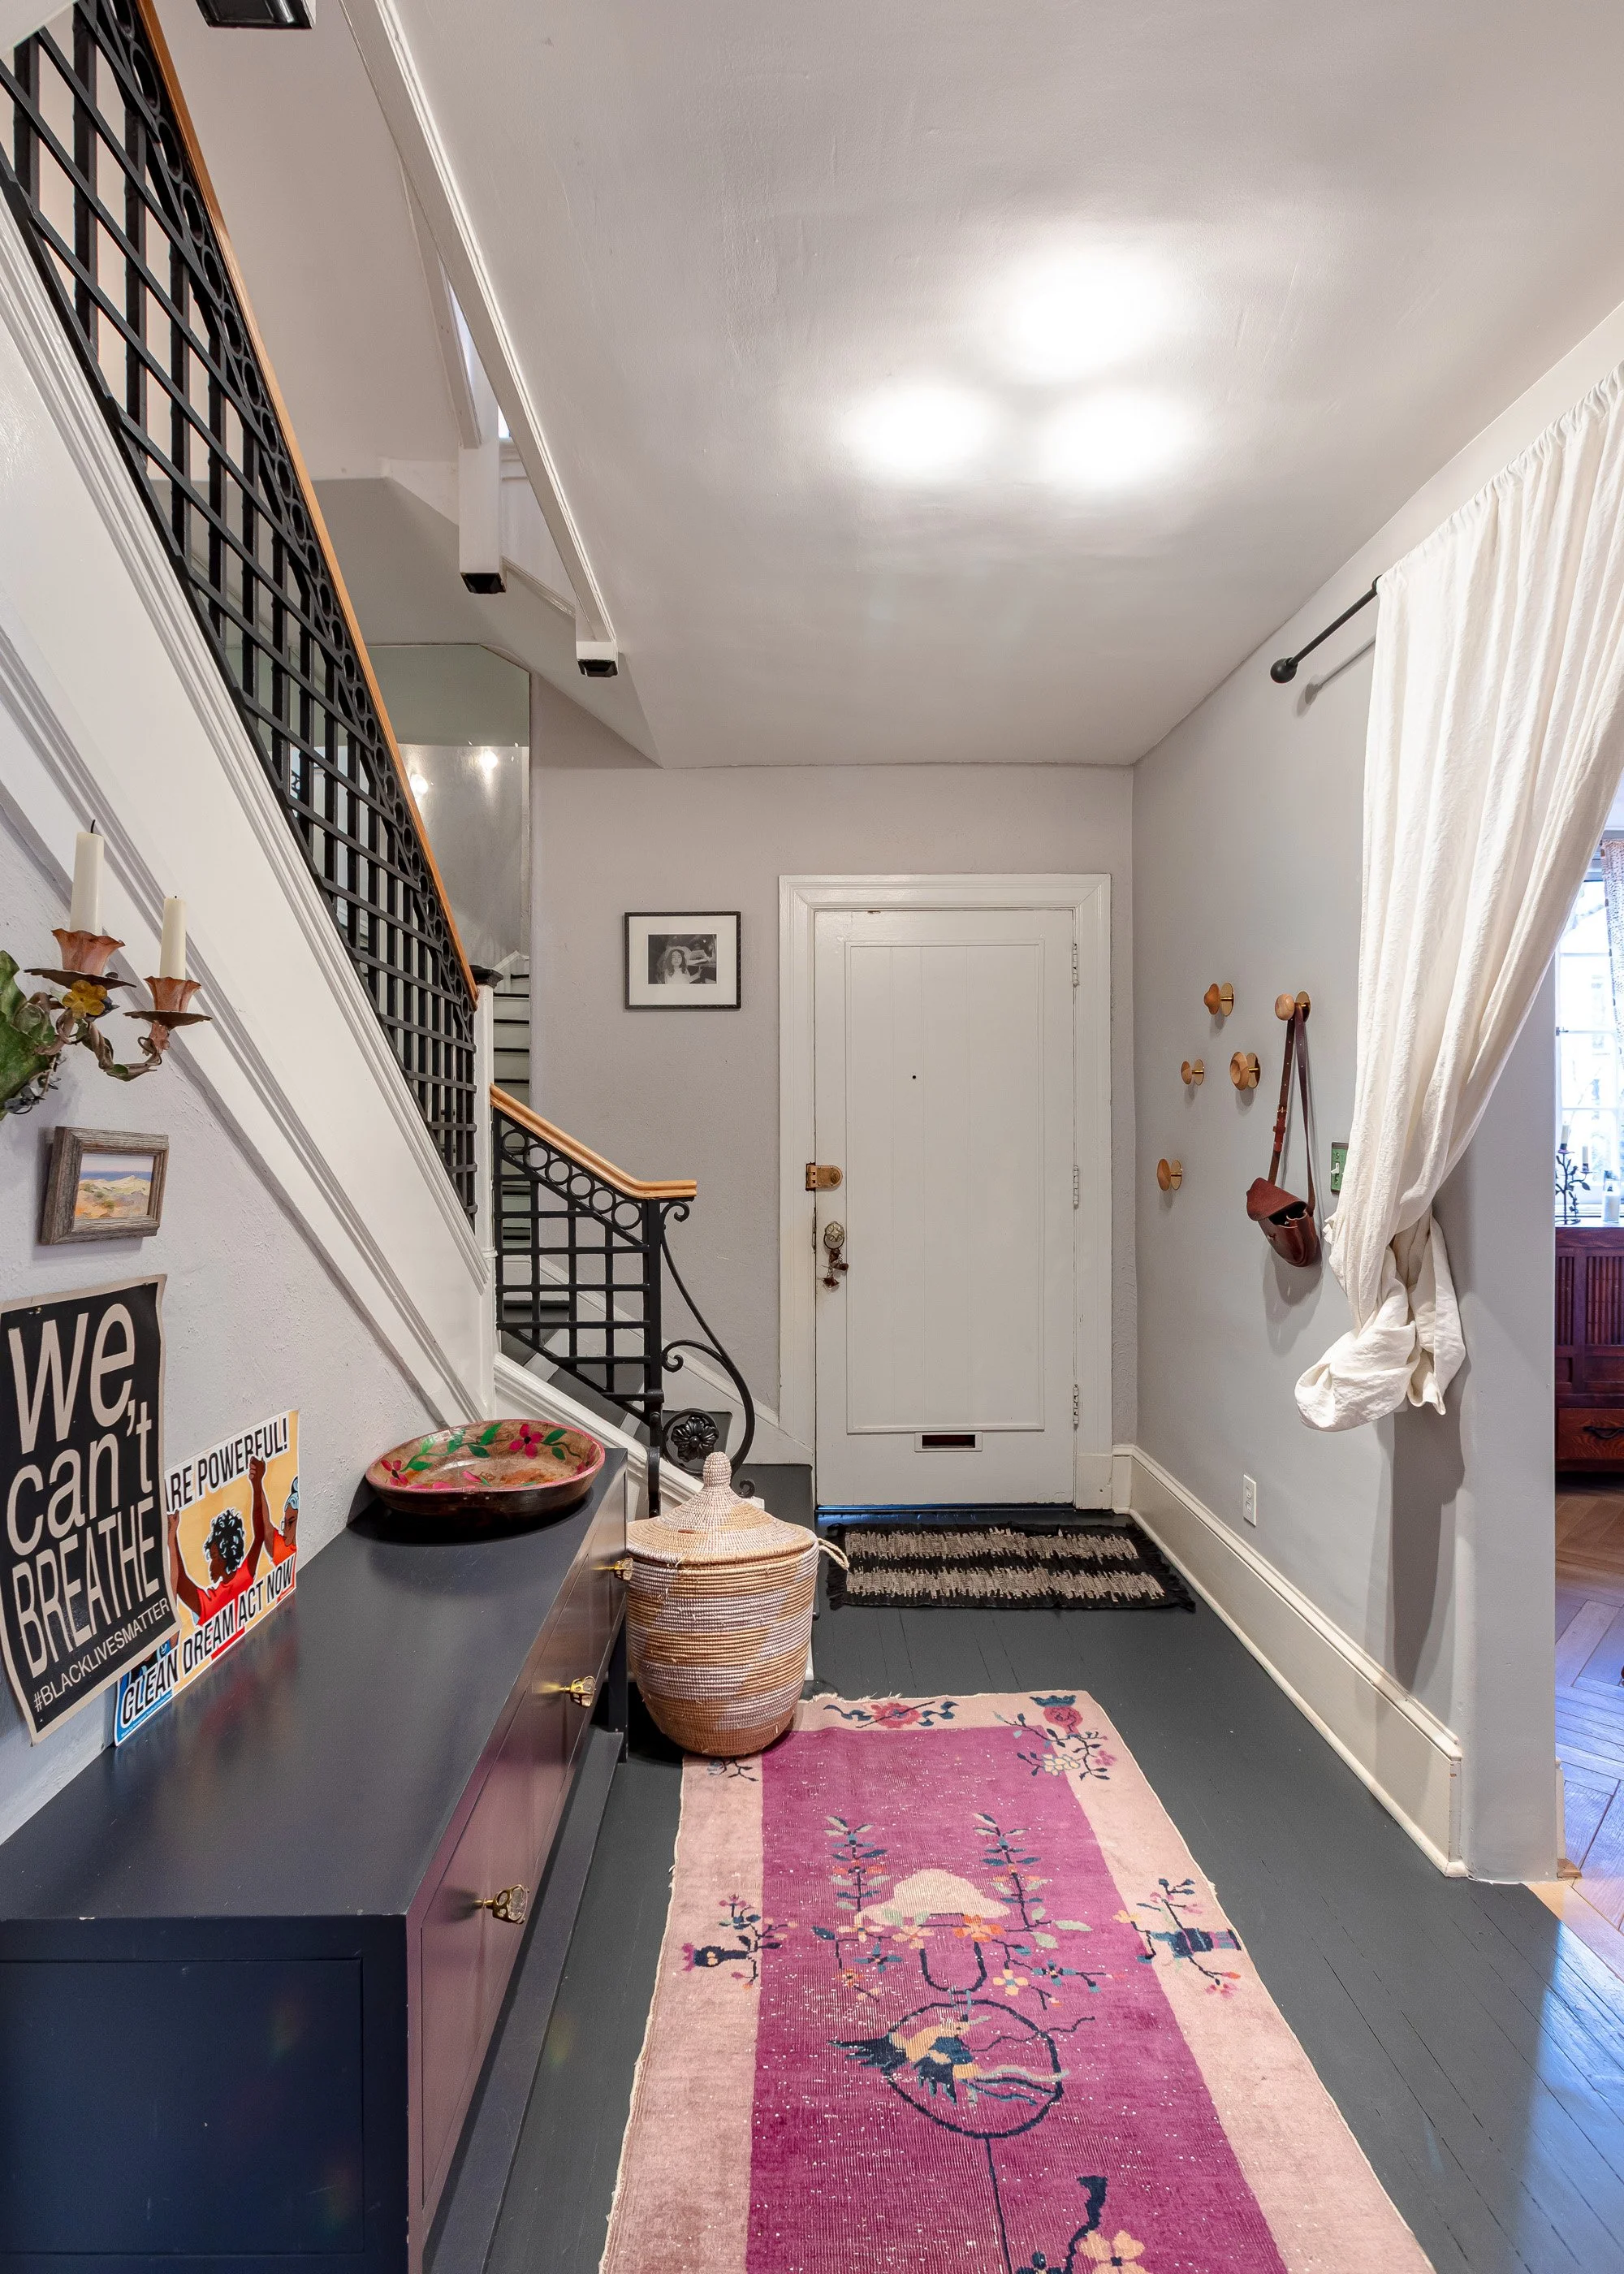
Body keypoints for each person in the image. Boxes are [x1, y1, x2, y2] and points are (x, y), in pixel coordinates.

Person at [168, 1455, 270, 1624]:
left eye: (214, 1556)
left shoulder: (214, 1602)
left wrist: (172, 1538)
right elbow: (259, 1536)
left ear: (225, 1555)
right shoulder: (245, 1576)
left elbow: (182, 1585)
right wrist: (257, 1484)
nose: (210, 1564)